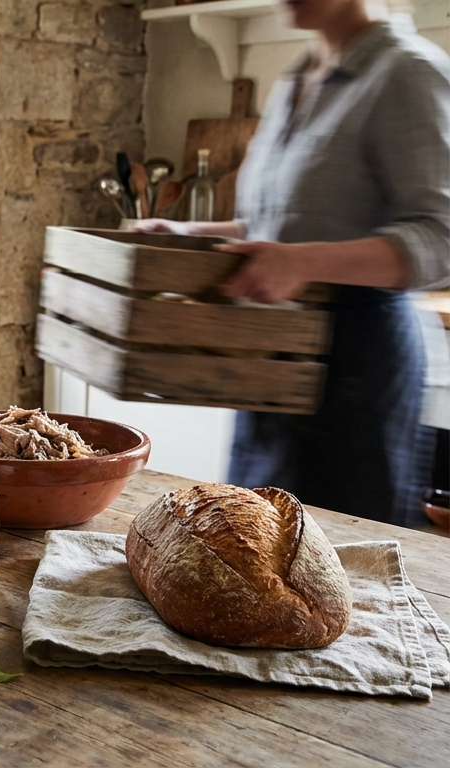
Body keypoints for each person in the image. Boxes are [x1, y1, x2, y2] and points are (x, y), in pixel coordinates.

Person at [134, 0, 450, 527]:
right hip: (271, 364)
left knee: (340, 570)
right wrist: (188, 233)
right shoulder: (298, 77)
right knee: (251, 546)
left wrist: (301, 263)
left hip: (356, 367)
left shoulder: (407, 72)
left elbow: (441, 239)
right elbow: (275, 228)